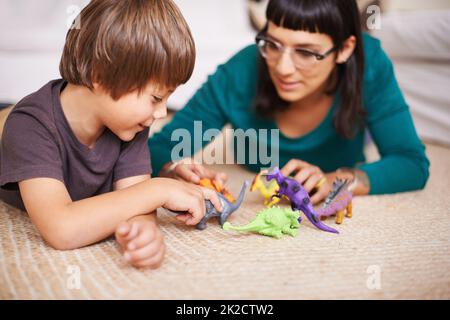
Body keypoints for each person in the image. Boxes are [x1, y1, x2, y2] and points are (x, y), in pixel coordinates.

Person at [0, 0, 222, 269]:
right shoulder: (31, 125)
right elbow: (61, 228)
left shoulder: (128, 126)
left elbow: (134, 199)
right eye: (156, 97)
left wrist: (142, 231)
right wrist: (159, 188)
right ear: (100, 75)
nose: (162, 112)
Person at [149, 0, 429, 204]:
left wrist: (338, 178)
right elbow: (159, 148)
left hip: (346, 147)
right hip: (251, 165)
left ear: (345, 49)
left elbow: (411, 163)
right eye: (273, 44)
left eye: (306, 52)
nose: (282, 68)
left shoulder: (370, 63)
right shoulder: (240, 71)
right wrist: (172, 168)